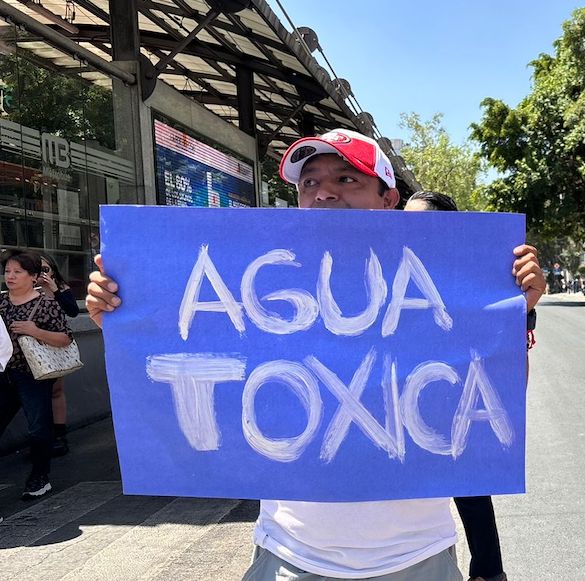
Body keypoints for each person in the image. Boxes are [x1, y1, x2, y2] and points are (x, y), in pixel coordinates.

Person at [86, 129, 545, 581]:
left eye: (347, 179)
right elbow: (185, 381)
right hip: (289, 558)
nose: (324, 192)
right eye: (310, 182)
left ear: (389, 201)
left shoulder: (433, 293)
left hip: (416, 558)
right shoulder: (266, 285)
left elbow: (491, 405)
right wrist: (127, 322)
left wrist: (506, 318)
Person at [405, 190, 510, 581]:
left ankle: (488, 570)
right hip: (400, 400)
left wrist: (525, 312)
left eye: (418, 221)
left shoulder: (468, 276)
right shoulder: (388, 267)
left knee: (470, 486)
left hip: (453, 398)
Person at [0, 249, 75, 499]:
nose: (10, 276)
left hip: (33, 375)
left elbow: (65, 338)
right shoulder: (1, 302)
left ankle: (39, 477)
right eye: (7, 271)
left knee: (38, 428)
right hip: (4, 374)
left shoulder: (45, 304)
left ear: (33, 276)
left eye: (17, 272)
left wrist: (34, 330)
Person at [38, 253, 79, 457]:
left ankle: (59, 434)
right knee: (36, 395)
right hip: (31, 347)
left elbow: (73, 311)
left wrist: (54, 290)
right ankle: (41, 436)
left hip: (55, 345)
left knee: (56, 389)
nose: (42, 274)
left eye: (45, 269)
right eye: (37, 269)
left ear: (52, 270)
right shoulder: (26, 290)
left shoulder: (61, 289)